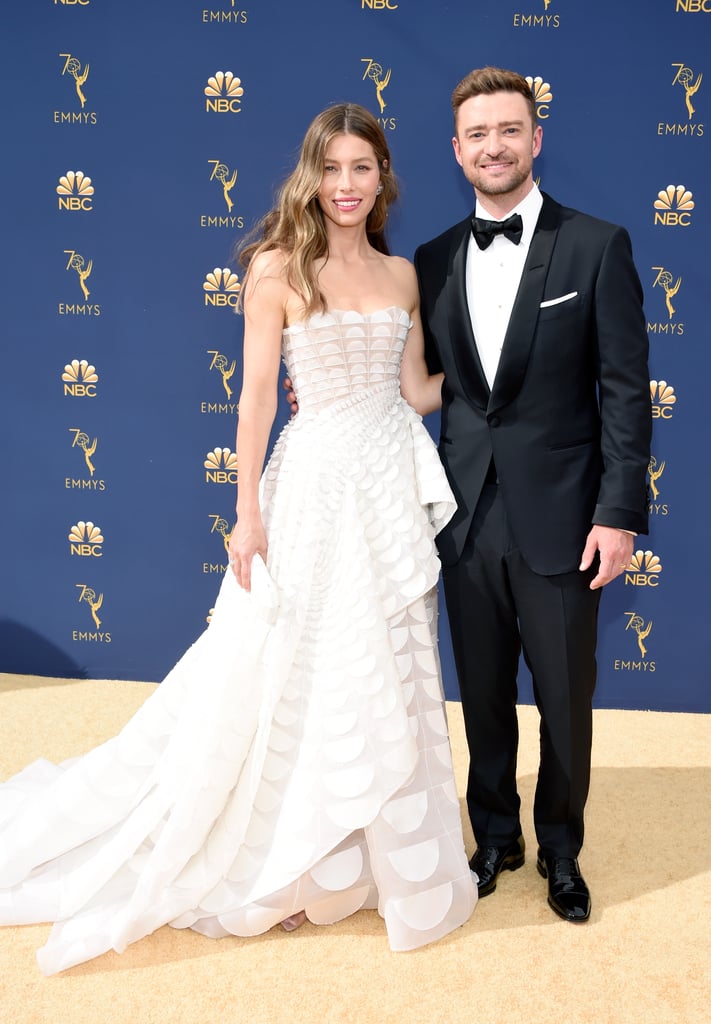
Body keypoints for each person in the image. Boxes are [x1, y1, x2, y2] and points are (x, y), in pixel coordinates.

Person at [0, 103, 476, 976]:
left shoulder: (405, 276)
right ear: (310, 174)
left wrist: (502, 367)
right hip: (313, 487)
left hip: (386, 485)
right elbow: (256, 400)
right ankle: (281, 863)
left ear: (382, 179)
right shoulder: (276, 269)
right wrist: (245, 512)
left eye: (361, 169)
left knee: (382, 658)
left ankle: (362, 854)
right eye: (330, 168)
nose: (344, 185)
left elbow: (412, 392)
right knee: (296, 668)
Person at [413, 67, 651, 922]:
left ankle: (559, 849)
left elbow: (623, 390)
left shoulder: (596, 244)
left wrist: (618, 512)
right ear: (455, 149)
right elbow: (424, 382)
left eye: (508, 129)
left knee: (562, 698)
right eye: (476, 134)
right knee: (478, 693)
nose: (493, 146)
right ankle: (495, 835)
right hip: (464, 515)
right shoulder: (433, 257)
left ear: (535, 137)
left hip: (563, 516)